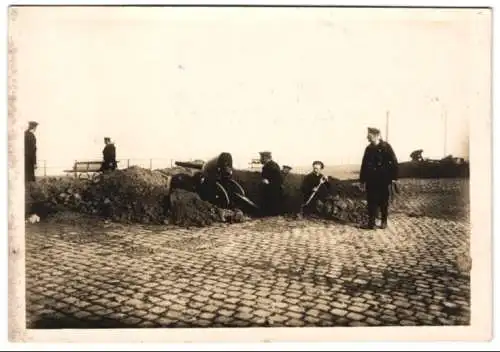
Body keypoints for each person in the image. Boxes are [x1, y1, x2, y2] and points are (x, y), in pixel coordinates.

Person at [359, 127, 399, 229]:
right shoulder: (368, 149)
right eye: (368, 136)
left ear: (377, 135)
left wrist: (394, 178)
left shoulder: (386, 147)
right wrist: (362, 180)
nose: (367, 137)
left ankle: (383, 222)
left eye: (369, 136)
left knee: (383, 201)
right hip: (371, 180)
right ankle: (371, 223)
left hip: (383, 180)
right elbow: (364, 165)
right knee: (371, 201)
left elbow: (394, 162)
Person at [259, 151, 283, 216]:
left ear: (266, 158)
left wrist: (269, 182)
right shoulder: (268, 165)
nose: (260, 159)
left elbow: (279, 179)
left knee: (273, 204)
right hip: (269, 189)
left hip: (273, 189)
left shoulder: (272, 165)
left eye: (261, 157)